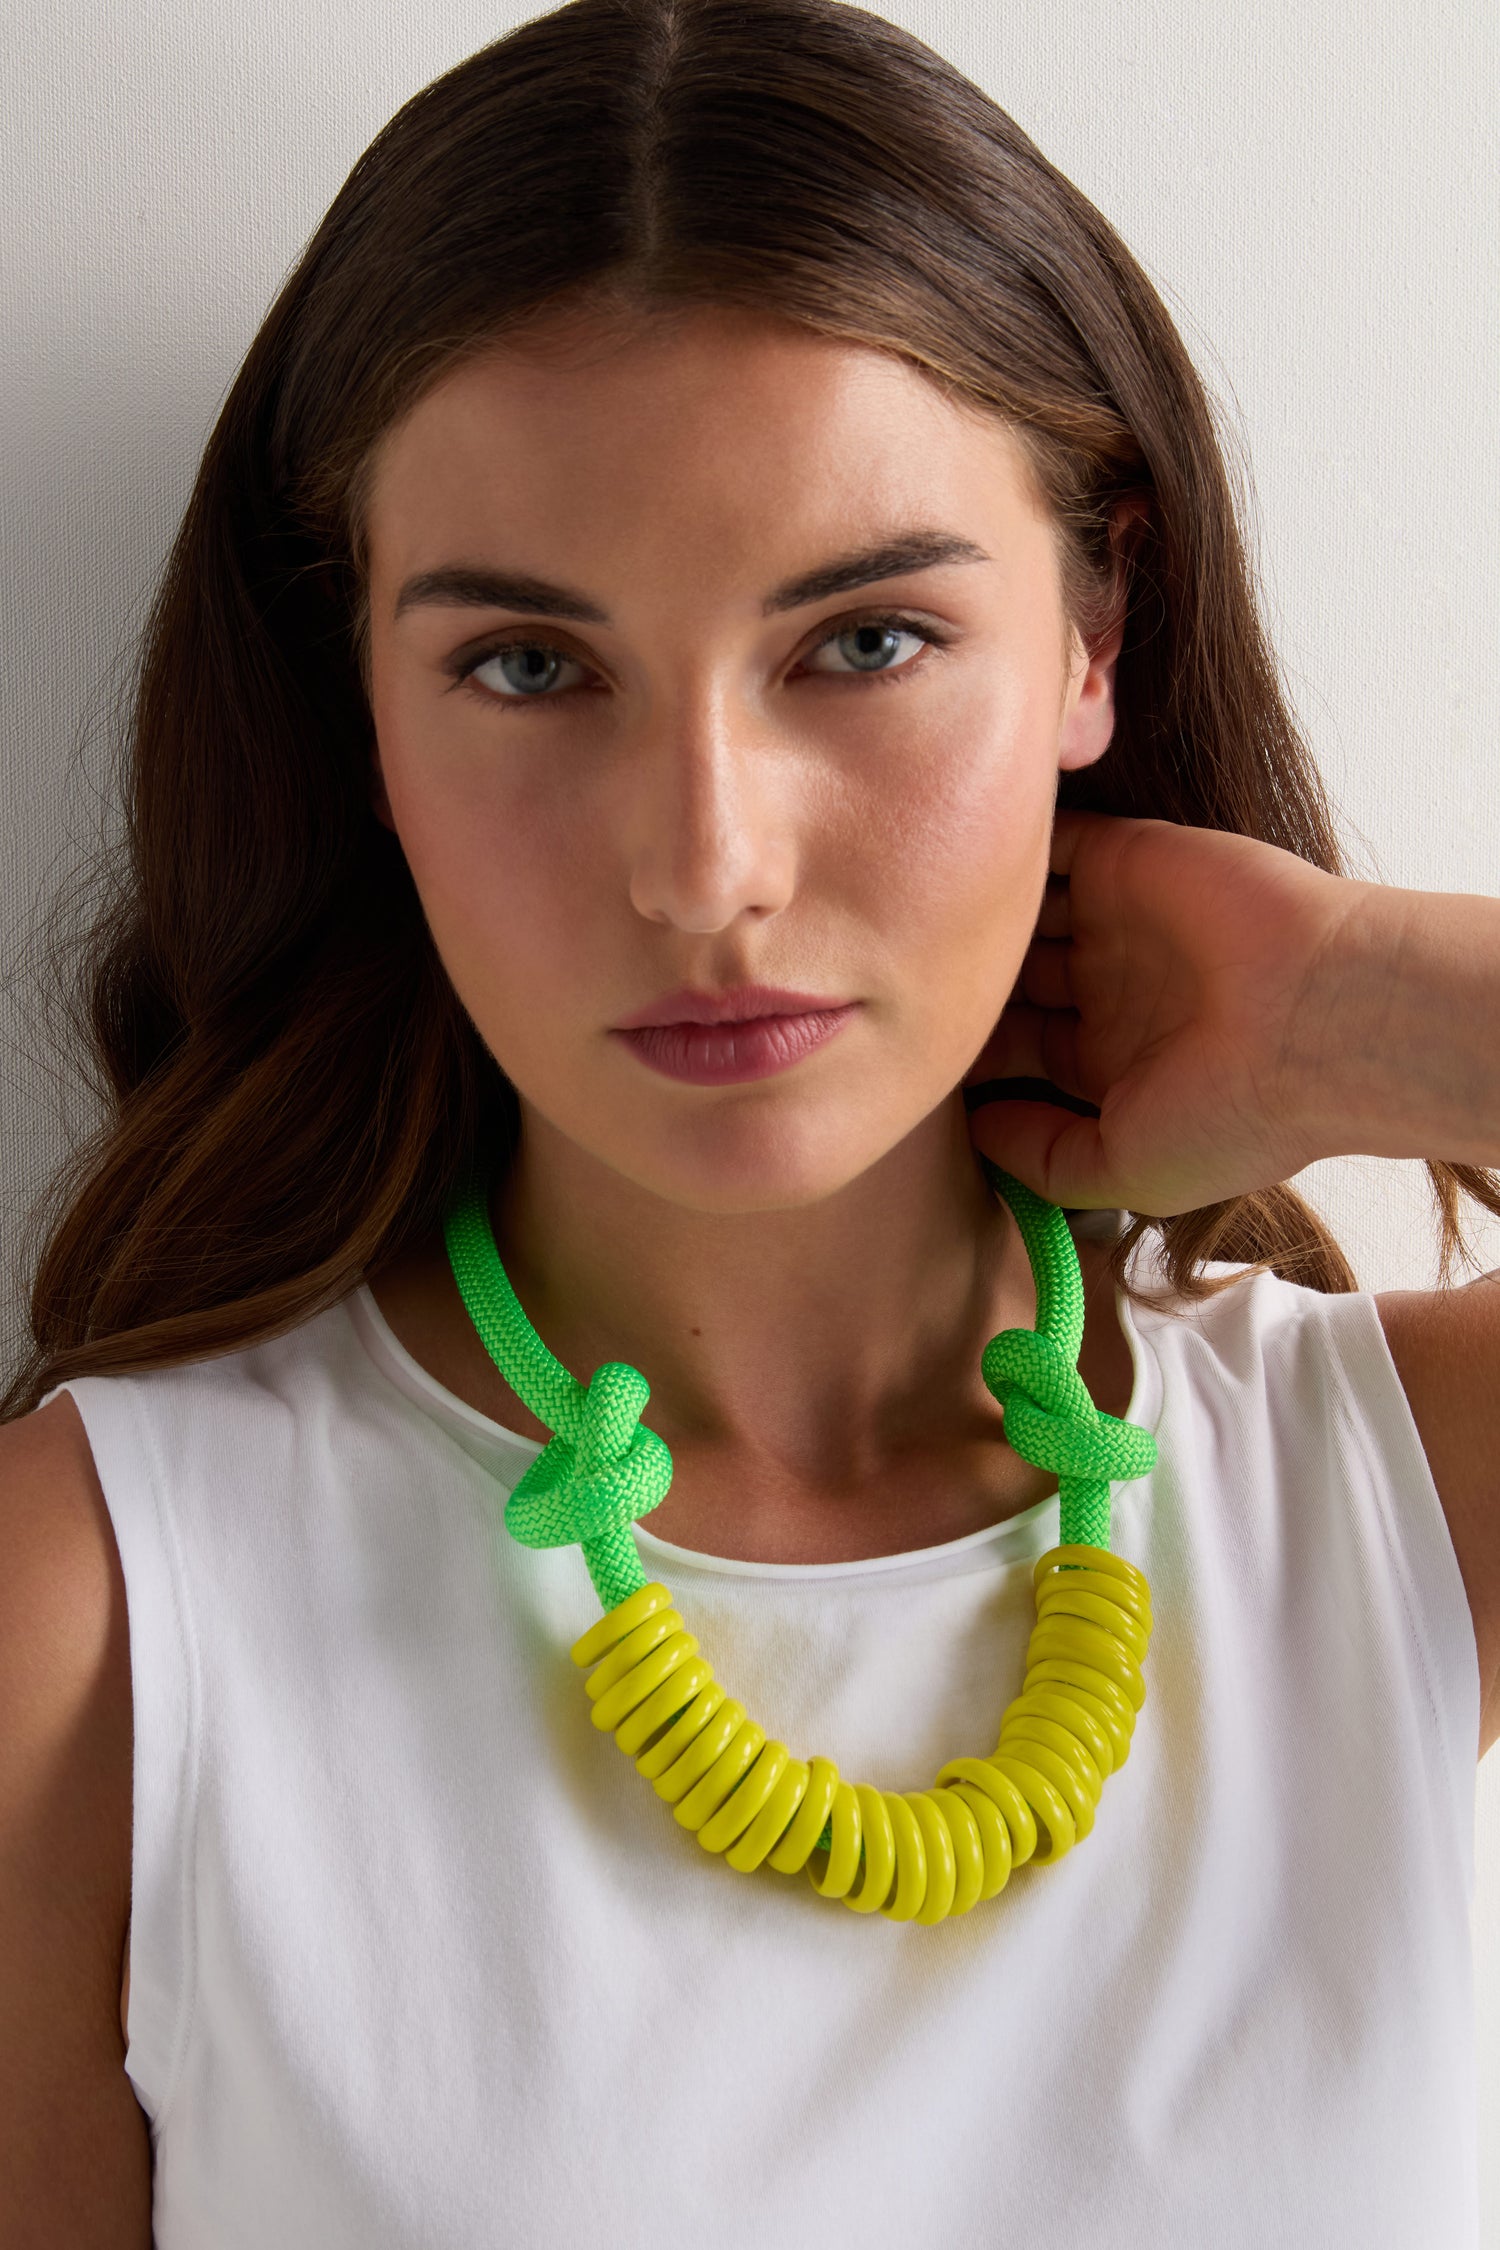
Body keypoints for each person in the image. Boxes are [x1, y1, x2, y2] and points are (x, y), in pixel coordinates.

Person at [2, 0, 1496, 2242]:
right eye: (527, 666)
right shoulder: (92, 1605)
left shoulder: (1400, 1495)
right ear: (361, 716)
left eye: (867, 642)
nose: (705, 868)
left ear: (1103, 624)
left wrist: (1380, 1014)